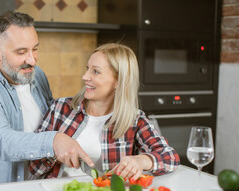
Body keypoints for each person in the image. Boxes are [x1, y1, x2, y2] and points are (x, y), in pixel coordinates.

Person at [0, 11, 93, 187]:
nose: (32, 60)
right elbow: (2, 141)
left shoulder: (38, 76)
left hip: (34, 188)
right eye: (21, 52)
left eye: (35, 49)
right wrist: (53, 141)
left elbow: (50, 121)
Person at [29, 43, 180, 180]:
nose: (85, 77)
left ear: (119, 81)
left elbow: (170, 157)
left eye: (95, 72)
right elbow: (33, 167)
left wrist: (141, 161)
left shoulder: (134, 120)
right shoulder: (61, 108)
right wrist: (54, 152)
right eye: (87, 69)